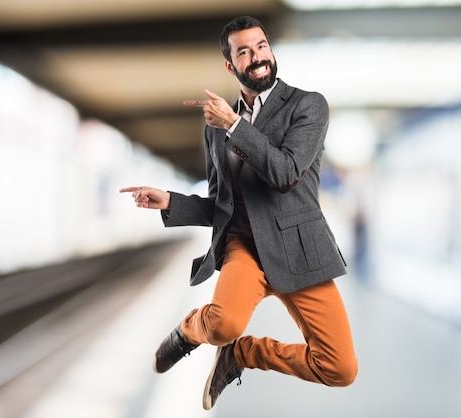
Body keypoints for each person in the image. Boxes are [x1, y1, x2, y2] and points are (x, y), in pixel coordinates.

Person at [119, 15, 357, 411]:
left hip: (300, 251)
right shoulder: (215, 127)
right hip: (244, 247)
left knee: (340, 368)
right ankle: (189, 332)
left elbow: (284, 173)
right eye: (244, 51)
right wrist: (172, 201)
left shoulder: (307, 106)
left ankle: (242, 355)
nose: (257, 57)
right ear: (231, 66)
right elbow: (221, 203)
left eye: (262, 46)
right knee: (224, 323)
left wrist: (234, 125)